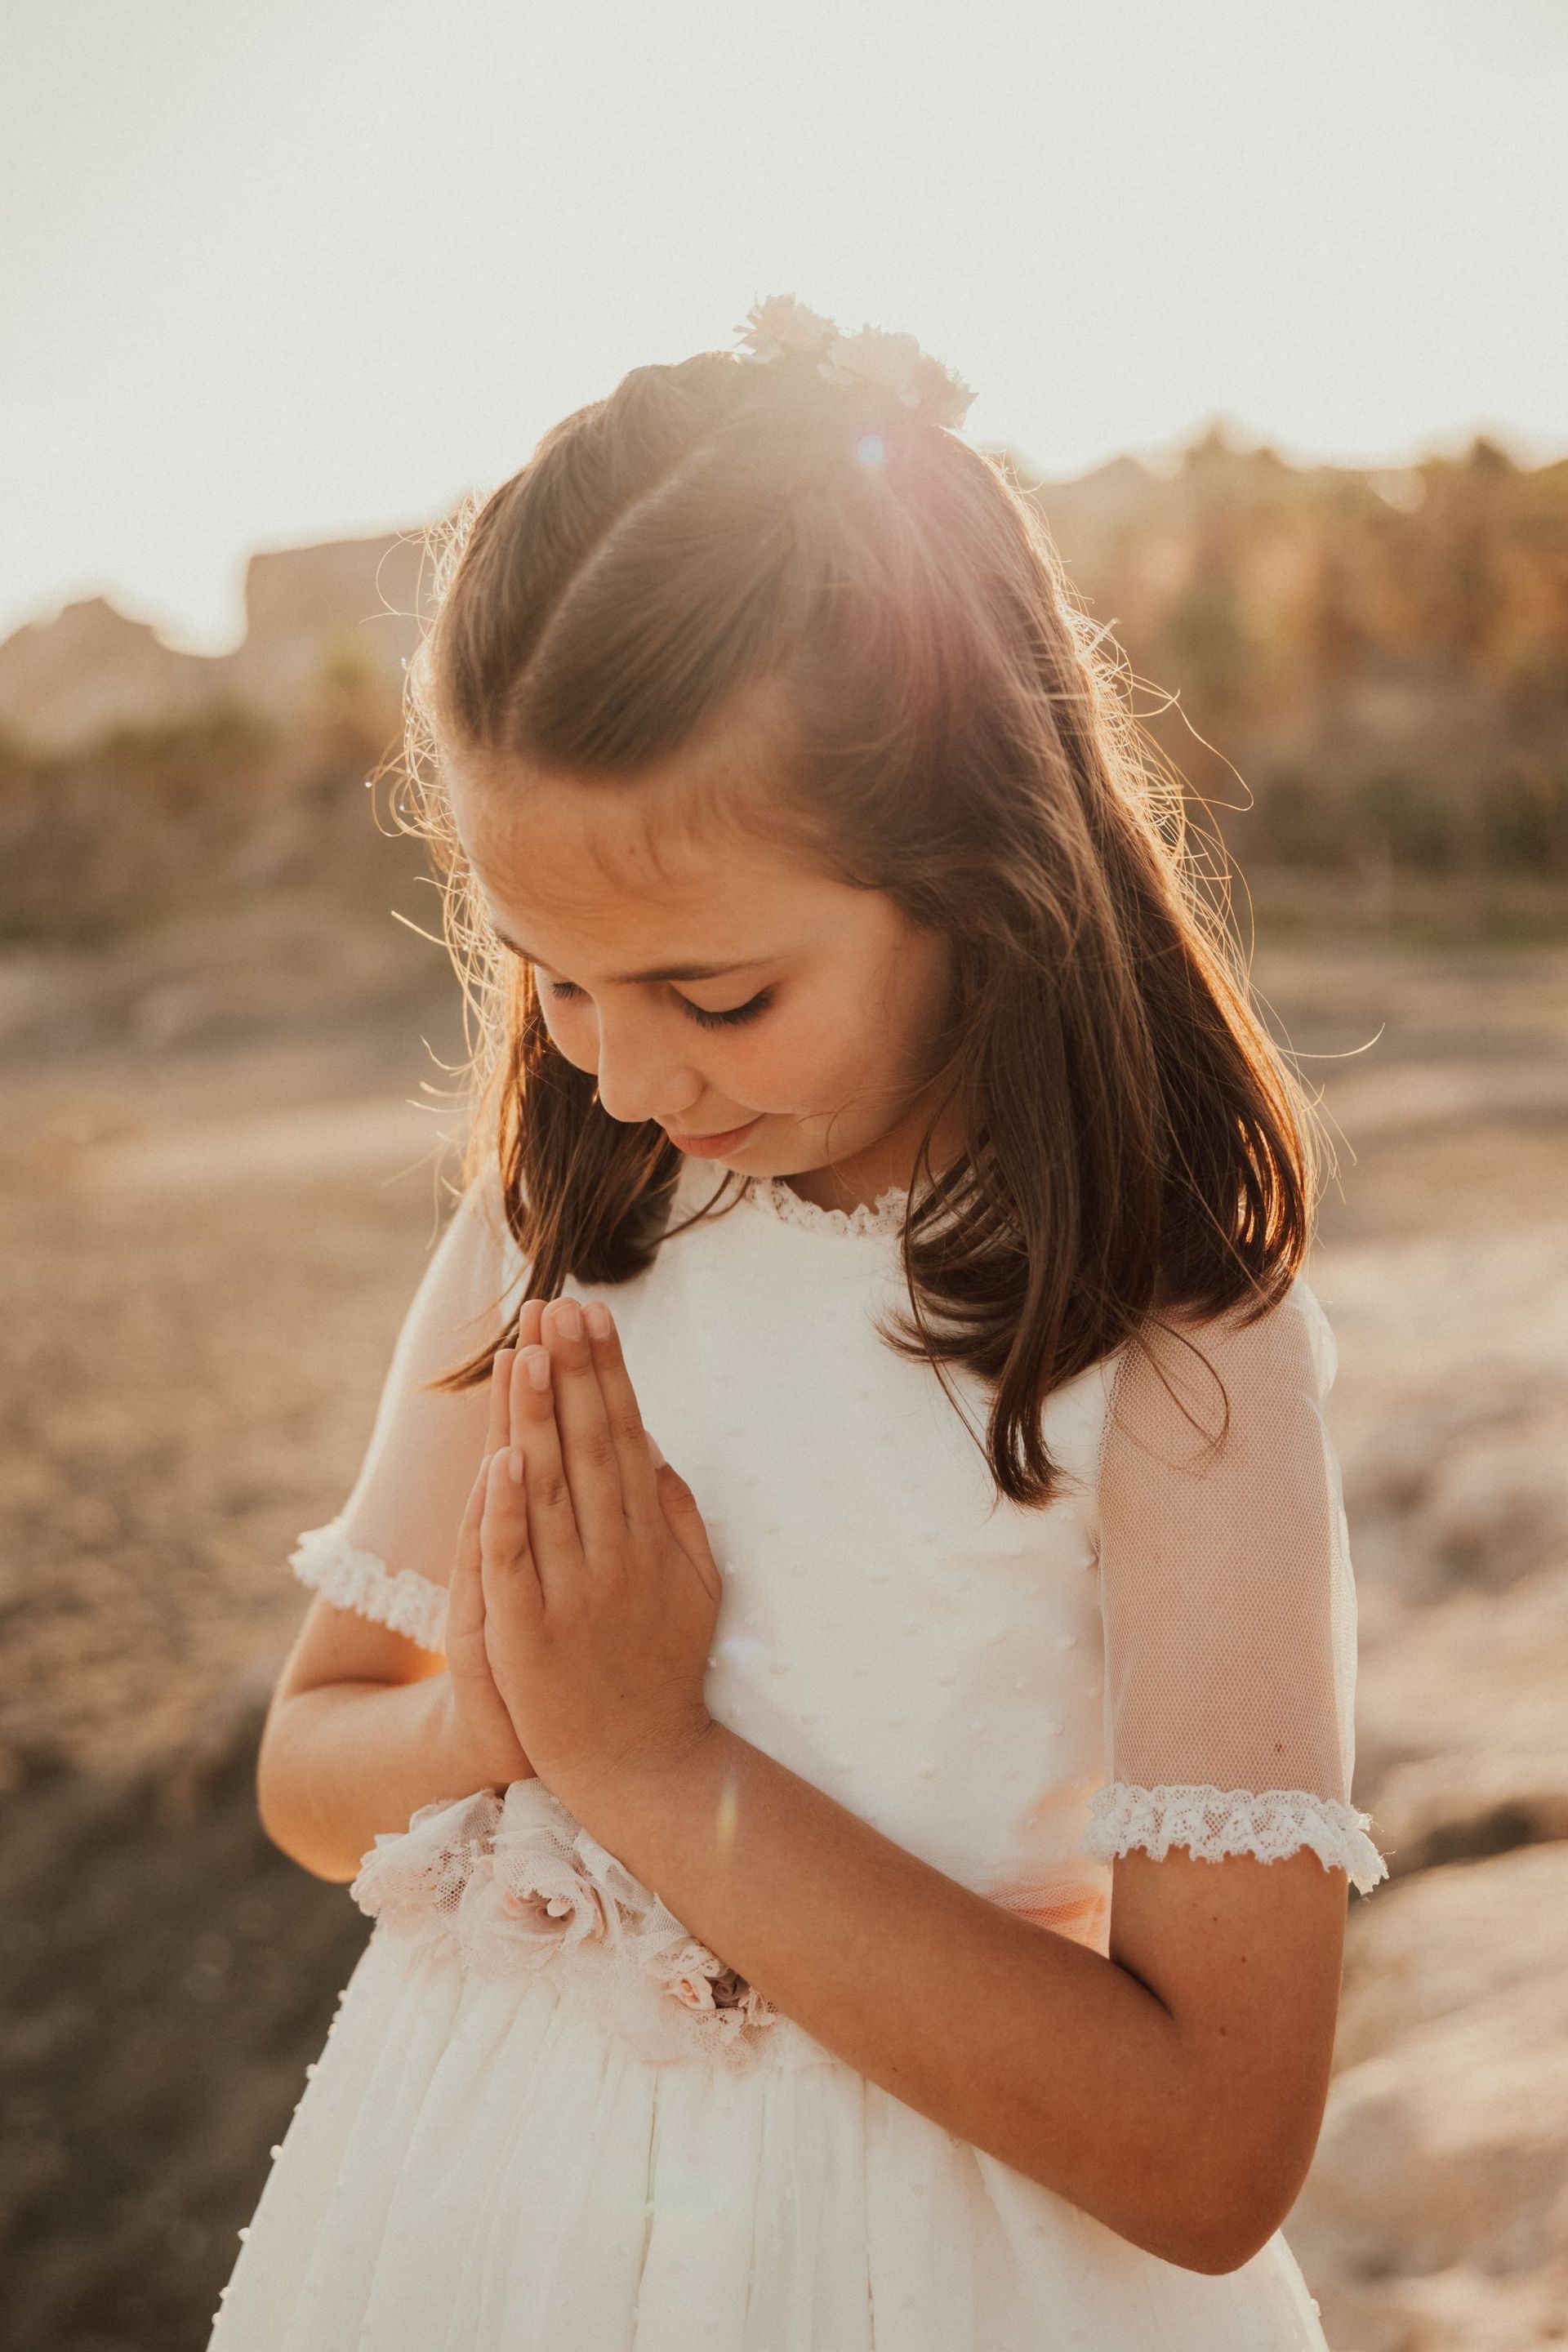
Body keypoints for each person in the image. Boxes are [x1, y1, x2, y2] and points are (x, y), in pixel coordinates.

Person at [210, 295, 1387, 2350]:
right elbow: (314, 1770)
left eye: (721, 995)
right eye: (553, 978)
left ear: (980, 867)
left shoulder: (1169, 1344)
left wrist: (643, 1759)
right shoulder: (569, 1210)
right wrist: (501, 1716)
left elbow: (1215, 2156)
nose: (628, 1075)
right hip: (474, 2227)